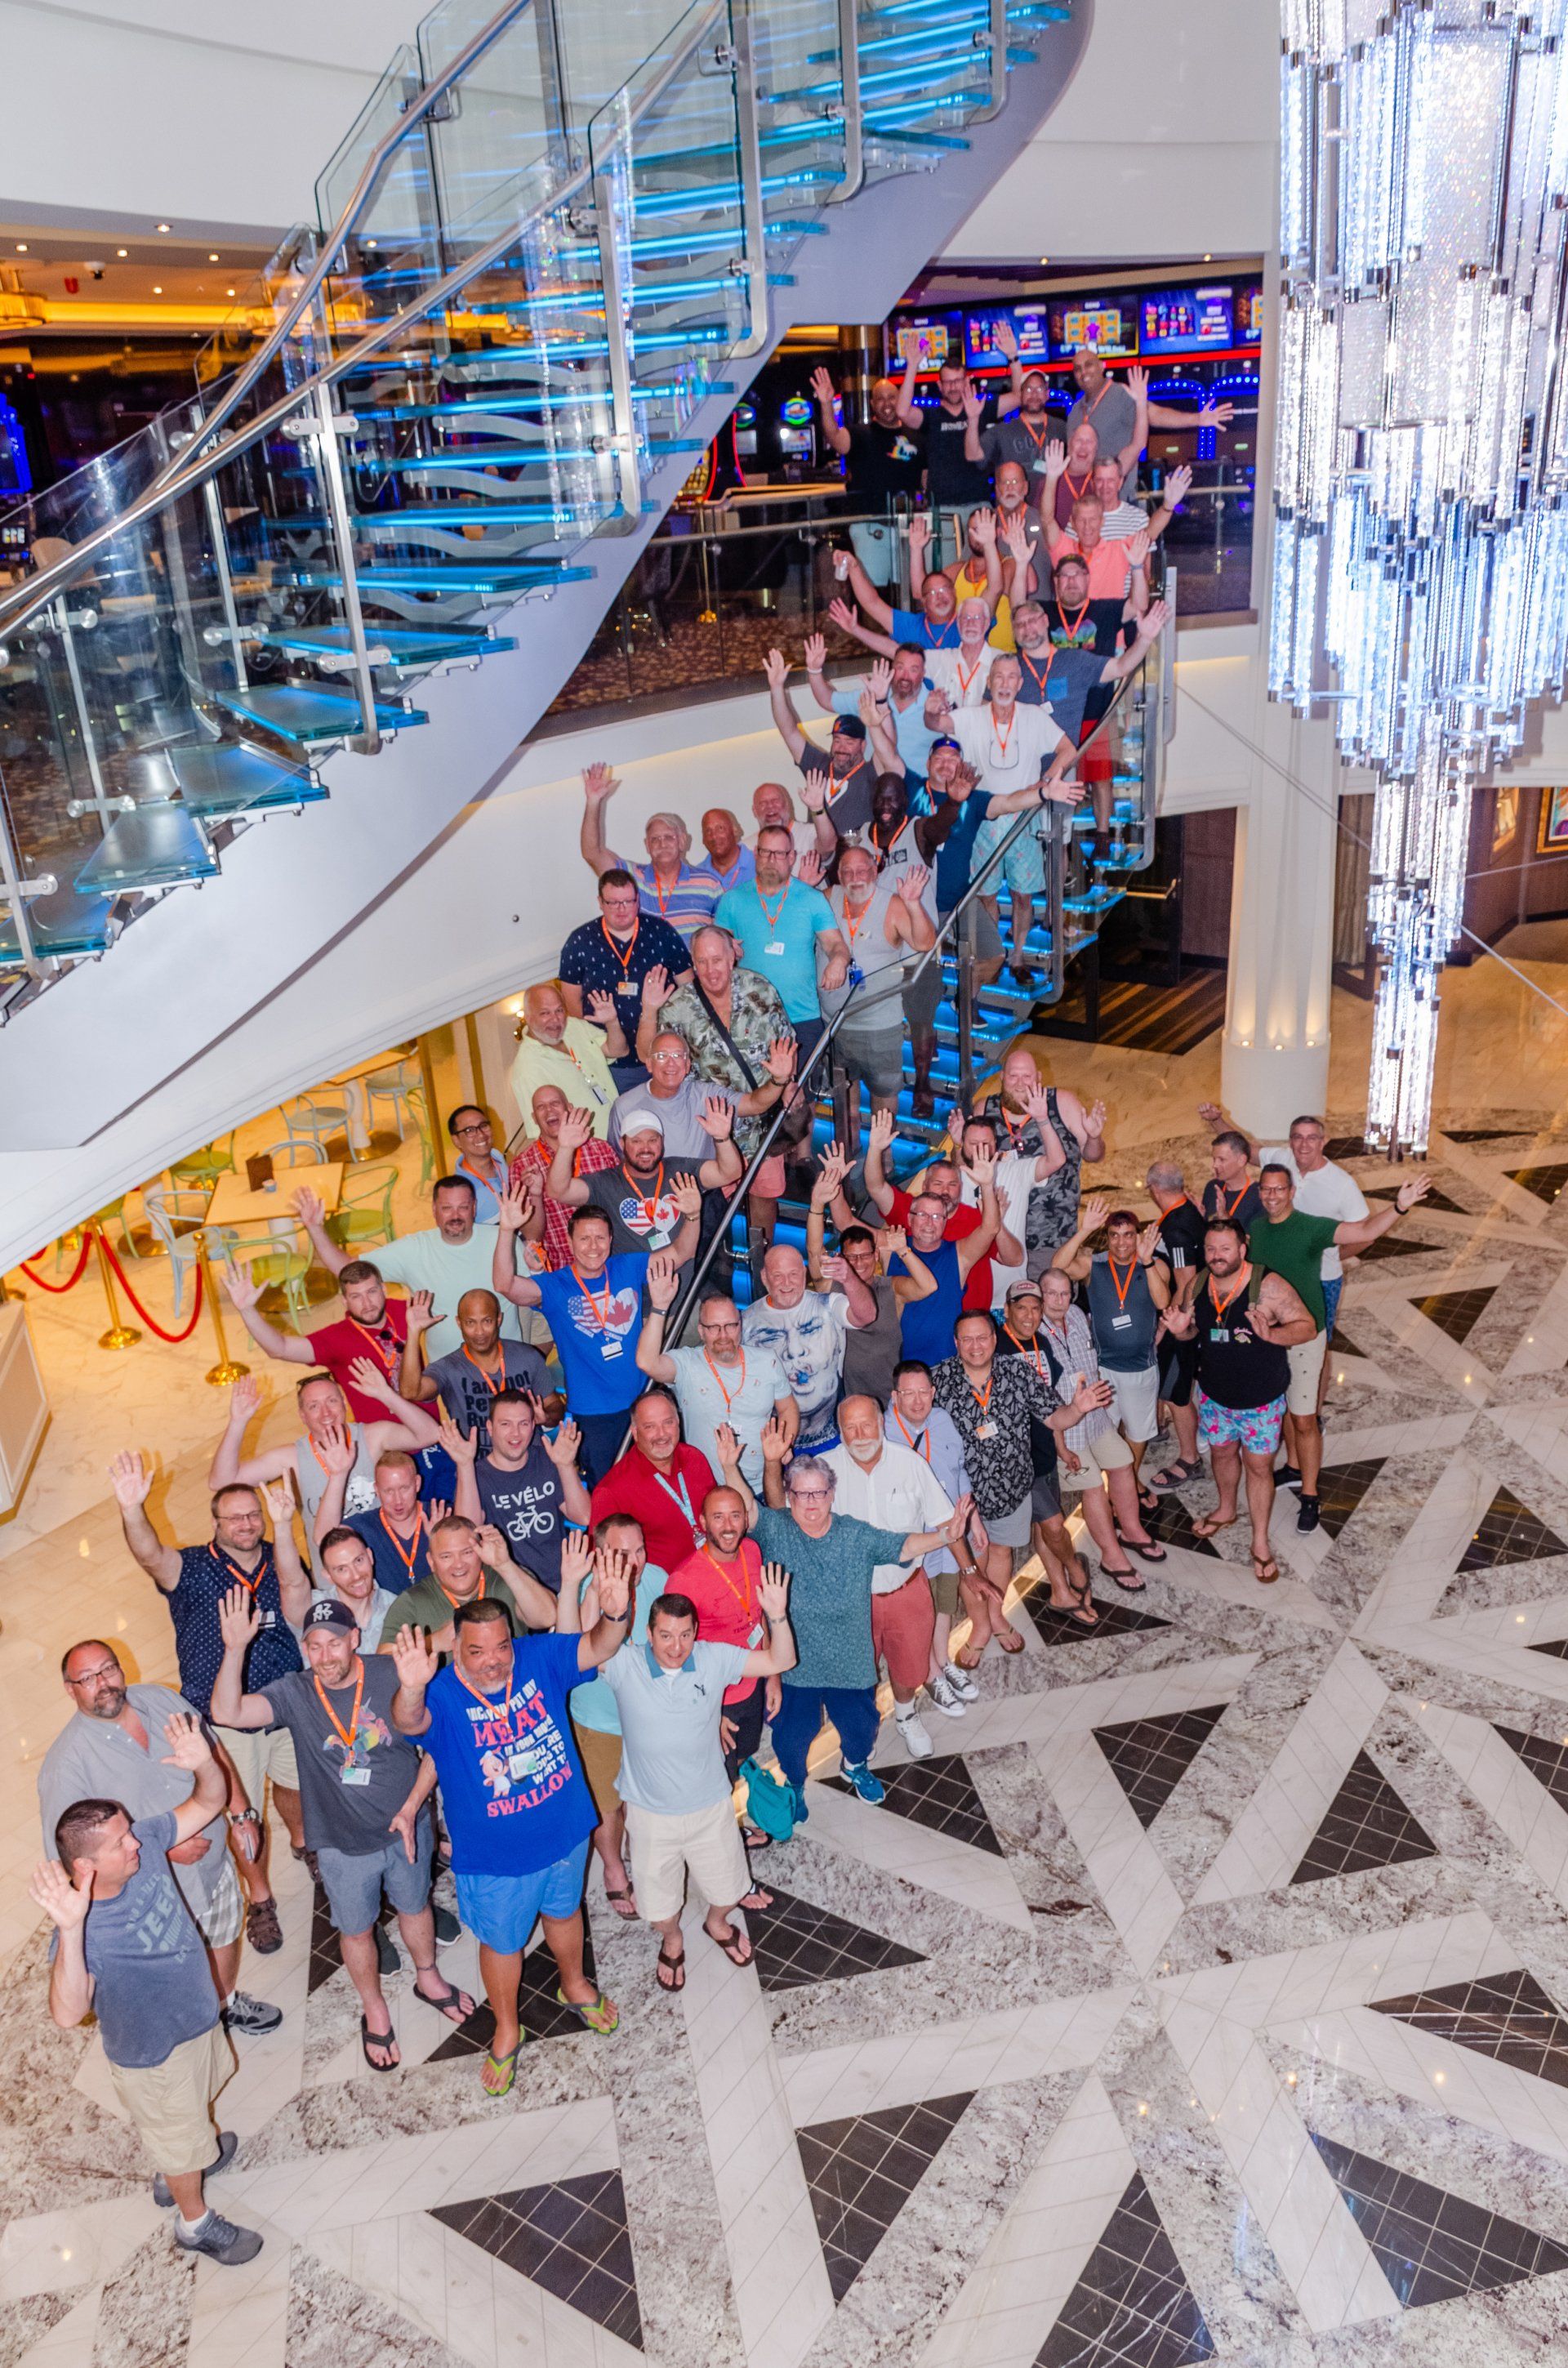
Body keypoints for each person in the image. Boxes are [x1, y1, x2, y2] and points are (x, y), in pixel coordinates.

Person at [212, 1593, 474, 2073]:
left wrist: (414, 1808)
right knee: (356, 1932)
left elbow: (440, 1743)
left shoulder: (390, 1669)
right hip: (340, 1842)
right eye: (315, 1646)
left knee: (416, 1908)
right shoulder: (295, 1692)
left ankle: (429, 1977)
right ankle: (374, 2006)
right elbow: (228, 1713)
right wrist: (234, 1649)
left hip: (406, 1829)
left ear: (355, 1639)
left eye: (335, 1643)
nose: (326, 1655)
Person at [35, 1720, 264, 2263]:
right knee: (178, 2128)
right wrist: (69, 1929)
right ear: (86, 1866)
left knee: (188, 2121)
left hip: (196, 2020)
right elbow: (68, 2013)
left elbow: (209, 1800)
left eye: (130, 1830)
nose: (138, 1841)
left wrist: (204, 1762)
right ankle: (194, 2220)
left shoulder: (146, 1845)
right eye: (121, 1842)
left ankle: (180, 2159)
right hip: (154, 2059)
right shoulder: (82, 1925)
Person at [390, 1587, 629, 2097]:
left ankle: (575, 1983)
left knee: (566, 1915)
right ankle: (505, 2025)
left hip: (564, 1832)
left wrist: (614, 1610)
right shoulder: (440, 1692)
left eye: (501, 1647)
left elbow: (600, 1646)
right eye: (476, 1651)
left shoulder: (539, 1658)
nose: (493, 1662)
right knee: (503, 1943)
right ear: (456, 1647)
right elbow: (408, 1722)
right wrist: (411, 1687)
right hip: (495, 1858)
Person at [110, 1447, 307, 1955]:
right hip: (222, 1719)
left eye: (252, 1515)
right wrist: (133, 1510)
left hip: (282, 1703)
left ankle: (304, 1844)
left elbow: (298, 1595)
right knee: (243, 1815)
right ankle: (259, 1895)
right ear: (215, 1522)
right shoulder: (192, 1569)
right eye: (234, 1517)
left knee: (292, 1788)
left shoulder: (277, 1556)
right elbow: (152, 1554)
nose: (245, 1524)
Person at [39, 1644, 280, 2038]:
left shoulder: (160, 1698)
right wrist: (162, 1849)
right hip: (157, 1896)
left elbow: (212, 1752)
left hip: (214, 1866)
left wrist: (240, 1813)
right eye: (88, 1679)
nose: (103, 1684)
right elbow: (74, 1862)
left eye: (108, 1670)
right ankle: (197, 2030)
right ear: (70, 1690)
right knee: (179, 1969)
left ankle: (225, 2003)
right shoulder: (66, 1767)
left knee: (223, 1933)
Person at [591, 1566, 796, 1987]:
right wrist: (598, 1596)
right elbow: (576, 1645)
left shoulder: (712, 1657)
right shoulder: (624, 1663)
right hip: (650, 1814)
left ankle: (717, 1924)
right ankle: (671, 1940)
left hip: (710, 1805)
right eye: (665, 1635)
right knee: (659, 1909)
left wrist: (777, 1614)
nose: (676, 1646)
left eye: (685, 1634)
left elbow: (782, 1659)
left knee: (726, 1891)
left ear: (696, 1632)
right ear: (648, 1634)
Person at [754, 1441, 974, 1804]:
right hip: (795, 1663)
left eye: (819, 1493)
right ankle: (794, 1784)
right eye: (802, 1494)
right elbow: (745, 1509)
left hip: (850, 1658)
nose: (811, 1502)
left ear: (832, 1494)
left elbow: (900, 1547)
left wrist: (945, 1536)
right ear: (789, 1497)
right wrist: (763, 1461)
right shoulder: (777, 1530)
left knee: (862, 1730)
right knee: (791, 1737)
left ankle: (854, 1766)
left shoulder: (854, 1533)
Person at [1246, 1164, 1430, 1532]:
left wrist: (1399, 1207)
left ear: (1291, 1190)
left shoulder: (1311, 1227)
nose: (1272, 1196)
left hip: (1303, 1335)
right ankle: (1294, 1468)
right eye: (1266, 1190)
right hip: (1268, 1336)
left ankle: (1311, 1496)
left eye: (1279, 1189)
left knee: (1303, 1418)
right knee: (1281, 1408)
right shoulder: (1257, 1229)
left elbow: (1362, 1231)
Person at [936, 1307, 1109, 1642]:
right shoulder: (938, 1380)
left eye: (982, 1337)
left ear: (994, 1338)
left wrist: (1077, 1409)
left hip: (1014, 1489)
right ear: (956, 1343)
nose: (975, 1346)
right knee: (973, 1565)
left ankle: (996, 1616)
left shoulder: (1018, 1372)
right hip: (963, 1497)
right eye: (967, 1339)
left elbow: (1053, 1418)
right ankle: (980, 1628)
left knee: (1002, 1553)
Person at [1160, 1218, 1317, 1585]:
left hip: (1260, 1401)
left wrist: (1271, 1333)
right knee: (1221, 1454)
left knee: (1260, 1468)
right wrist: (1181, 1331)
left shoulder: (1269, 1286)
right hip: (1215, 1397)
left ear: (1242, 1249)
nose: (1217, 1256)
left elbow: (1307, 1327)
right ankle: (1226, 1509)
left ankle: (1260, 1542)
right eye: (1211, 1249)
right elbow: (1194, 1332)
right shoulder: (1197, 1283)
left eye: (1225, 1249)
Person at [639, 925, 800, 1263]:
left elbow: (786, 1042)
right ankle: (720, 1268)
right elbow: (650, 1057)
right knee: (712, 1208)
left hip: (763, 1124)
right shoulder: (678, 1007)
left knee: (764, 1199)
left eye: (717, 960)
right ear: (693, 965)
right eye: (702, 962)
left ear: (732, 958)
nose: (711, 970)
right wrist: (649, 1011)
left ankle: (763, 1262)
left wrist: (790, 1082)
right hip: (710, 1132)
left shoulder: (760, 988)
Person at [822, 1398, 969, 1762]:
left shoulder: (910, 1464)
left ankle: (905, 1714)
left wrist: (971, 1571)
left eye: (866, 1425)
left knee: (910, 1666)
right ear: (840, 1432)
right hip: (852, 1599)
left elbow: (943, 1523)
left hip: (907, 1591)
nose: (859, 1435)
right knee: (858, 1674)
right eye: (850, 1428)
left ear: (881, 1424)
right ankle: (862, 1730)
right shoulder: (824, 1472)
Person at [1199, 1104, 1369, 1406]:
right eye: (1298, 1137)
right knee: (1273, 1336)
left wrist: (1332, 1255)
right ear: (1290, 1140)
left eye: (1312, 1138)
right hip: (1274, 1273)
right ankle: (1280, 1398)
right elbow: (1245, 1151)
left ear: (1323, 1141)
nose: (1304, 1144)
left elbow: (1363, 1231)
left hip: (1322, 1278)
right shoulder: (1281, 1159)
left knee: (1317, 1340)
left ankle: (1311, 1406)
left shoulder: (1341, 1183)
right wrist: (1217, 1120)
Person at [492, 1198, 651, 1485]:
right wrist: (506, 1230)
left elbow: (681, 1252)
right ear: (569, 1241)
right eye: (584, 1238)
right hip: (594, 1416)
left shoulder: (628, 1265)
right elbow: (506, 1285)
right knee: (609, 1493)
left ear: (611, 1239)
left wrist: (691, 1216)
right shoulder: (555, 1286)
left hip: (644, 1400)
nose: (593, 1246)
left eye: (600, 1238)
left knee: (651, 1486)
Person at [299, 1171, 532, 1361]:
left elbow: (532, 1297)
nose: (455, 1215)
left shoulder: (502, 1238)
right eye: (446, 1208)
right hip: (449, 1371)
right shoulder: (414, 1249)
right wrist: (315, 1229)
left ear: (474, 1208)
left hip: (507, 1361)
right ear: (433, 1210)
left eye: (463, 1207)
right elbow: (348, 1270)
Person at [559, 1518, 664, 1922]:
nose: (635, 1562)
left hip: (650, 1717)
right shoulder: (582, 1585)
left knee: (646, 1798)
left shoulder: (657, 1578)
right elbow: (572, 1648)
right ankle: (613, 1867)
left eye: (640, 1549)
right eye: (623, 1553)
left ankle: (651, 1857)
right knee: (606, 1805)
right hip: (600, 1720)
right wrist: (592, 1594)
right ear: (601, 1553)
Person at [1037, 1266, 1168, 1582]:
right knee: (1094, 1486)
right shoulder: (1033, 1331)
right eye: (1051, 1293)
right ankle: (1111, 1556)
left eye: (1065, 1293)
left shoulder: (1079, 1318)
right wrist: (1060, 1445)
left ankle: (1132, 1531)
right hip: (1063, 1429)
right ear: (1040, 1295)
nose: (1058, 1300)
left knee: (1123, 1464)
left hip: (1095, 1417)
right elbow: (1039, 1402)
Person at [210, 1361, 439, 1535]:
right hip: (331, 1580)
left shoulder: (372, 1437)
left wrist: (387, 1395)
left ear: (344, 1403)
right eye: (313, 1406)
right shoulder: (292, 1457)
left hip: (386, 1563)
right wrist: (237, 1423)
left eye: (331, 1401)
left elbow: (429, 1434)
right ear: (302, 1416)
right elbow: (221, 1483)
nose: (326, 1413)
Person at [668, 1487, 781, 1837]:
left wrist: (772, 1676)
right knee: (717, 1780)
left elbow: (759, 1617)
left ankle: (729, 1831)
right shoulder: (684, 1581)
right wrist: (708, 1714)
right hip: (714, 1702)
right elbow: (674, 1660)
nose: (728, 1526)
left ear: (747, 1519)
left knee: (744, 1755)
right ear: (703, 1523)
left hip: (751, 1686)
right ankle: (717, 1848)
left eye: (735, 1516)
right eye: (718, 1517)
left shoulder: (752, 1550)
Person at [991, 1283, 1102, 1625]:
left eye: (1035, 1308)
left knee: (1045, 1527)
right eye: (1021, 1308)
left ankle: (1059, 1591)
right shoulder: (996, 1346)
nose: (1029, 1315)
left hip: (1043, 1446)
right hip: (1015, 1457)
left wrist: (1061, 1445)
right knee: (1054, 1523)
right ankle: (1074, 1568)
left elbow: (1048, 1401)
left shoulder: (1041, 1343)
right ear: (1007, 1309)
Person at [636, 1253, 795, 1487]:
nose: (723, 1336)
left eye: (730, 1325)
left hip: (764, 1485)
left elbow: (788, 1407)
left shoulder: (766, 1361)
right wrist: (660, 1308)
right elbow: (647, 1363)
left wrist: (786, 1443)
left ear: (740, 1325)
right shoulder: (687, 1364)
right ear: (701, 1331)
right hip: (707, 1490)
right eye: (714, 1328)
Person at [1050, 1199, 1172, 1492]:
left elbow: (1163, 1302)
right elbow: (1057, 1267)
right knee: (1105, 1428)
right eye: (1115, 1235)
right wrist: (1084, 1231)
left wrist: (1147, 1261)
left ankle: (1129, 1483)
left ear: (1138, 1236)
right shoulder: (1095, 1264)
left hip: (1142, 1367)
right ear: (1107, 1237)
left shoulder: (1154, 1264)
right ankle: (1117, 1482)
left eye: (1128, 1234)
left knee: (1139, 1432)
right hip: (1102, 1368)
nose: (1121, 1242)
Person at [715, 822, 851, 1076]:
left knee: (800, 1103)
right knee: (757, 1101)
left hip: (801, 1017)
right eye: (765, 852)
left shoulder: (812, 899)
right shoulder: (732, 900)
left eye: (779, 854)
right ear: (756, 855)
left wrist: (839, 962)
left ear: (792, 858)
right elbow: (714, 946)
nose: (771, 860)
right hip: (749, 1017)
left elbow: (835, 944)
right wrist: (724, 945)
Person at [883, 1362, 983, 1706]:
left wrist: (974, 1520)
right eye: (907, 1393)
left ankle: (942, 1660)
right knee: (920, 1612)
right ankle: (930, 1674)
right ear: (894, 1396)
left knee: (943, 1603)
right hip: (917, 1543)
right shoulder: (882, 1434)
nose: (916, 1401)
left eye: (923, 1392)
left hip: (950, 1536)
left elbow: (958, 1472)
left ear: (933, 1393)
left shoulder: (941, 1420)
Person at [546, 1093, 741, 1268]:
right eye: (636, 1141)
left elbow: (729, 1173)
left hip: (685, 1287)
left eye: (653, 1140)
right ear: (622, 1144)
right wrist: (565, 1148)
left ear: (662, 1141)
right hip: (632, 1290)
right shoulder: (606, 1182)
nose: (645, 1148)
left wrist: (722, 1139)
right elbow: (558, 1191)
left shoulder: (679, 1169)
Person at [821, 845, 936, 1135]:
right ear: (839, 875)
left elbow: (925, 943)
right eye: (847, 871)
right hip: (833, 1024)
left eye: (862, 870)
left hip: (879, 1027)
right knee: (844, 1093)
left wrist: (912, 903)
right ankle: (850, 1153)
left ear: (875, 871)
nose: (855, 877)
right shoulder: (827, 898)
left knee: (884, 1096)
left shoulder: (892, 904)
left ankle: (883, 1155)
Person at [808, 1147, 937, 1406]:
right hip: (846, 1399)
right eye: (851, 1257)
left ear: (876, 1255)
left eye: (865, 1256)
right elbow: (813, 1252)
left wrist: (903, 1250)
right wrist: (817, 1204)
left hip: (891, 1400)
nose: (859, 1263)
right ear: (842, 1258)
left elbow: (928, 1286)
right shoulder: (833, 1284)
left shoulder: (891, 1288)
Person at [220, 1251, 412, 1425]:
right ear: (344, 1301)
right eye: (356, 1297)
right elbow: (281, 1348)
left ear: (384, 1290)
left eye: (372, 1292)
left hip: (426, 1423)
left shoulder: (406, 1311)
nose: (367, 1303)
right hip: (385, 1440)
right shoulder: (336, 1339)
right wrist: (247, 1310)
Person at [588, 1385, 755, 1572]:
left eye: (668, 1423)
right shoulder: (612, 1491)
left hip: (714, 1571)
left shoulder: (694, 1458)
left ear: (678, 1423)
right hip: (665, 1592)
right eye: (650, 1427)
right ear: (635, 1433)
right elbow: (601, 1562)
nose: (662, 1435)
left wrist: (730, 1468)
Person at [973, 1049, 1107, 1274]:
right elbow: (969, 1167)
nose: (1019, 1084)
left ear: (1038, 1079)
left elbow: (1093, 1155)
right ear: (1002, 1077)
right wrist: (960, 1144)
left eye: (1026, 1077)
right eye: (1013, 1076)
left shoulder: (1062, 1102)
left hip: (1054, 1236)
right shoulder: (984, 1109)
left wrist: (1094, 1137)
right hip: (1001, 1234)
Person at [558, 867, 693, 1090]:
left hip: (662, 1055)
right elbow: (572, 1005)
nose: (622, 909)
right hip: (609, 1062)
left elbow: (689, 988)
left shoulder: (661, 932)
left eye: (628, 901)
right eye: (613, 903)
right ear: (600, 902)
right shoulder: (579, 942)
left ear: (638, 900)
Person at [578, 760, 721, 939]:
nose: (662, 844)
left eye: (669, 837)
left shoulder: (708, 884)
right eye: (655, 839)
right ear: (647, 845)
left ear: (683, 841)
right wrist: (593, 802)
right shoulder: (631, 879)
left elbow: (724, 935)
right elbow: (592, 853)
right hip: (646, 968)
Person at [809, 363, 924, 586]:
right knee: (872, 594)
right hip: (870, 528)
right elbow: (835, 437)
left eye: (891, 397)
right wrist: (826, 404)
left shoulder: (916, 437)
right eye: (880, 399)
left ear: (900, 398)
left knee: (912, 593)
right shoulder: (860, 434)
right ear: (872, 404)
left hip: (908, 528)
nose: (886, 404)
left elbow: (925, 481)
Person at [401, 1286, 556, 1449]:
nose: (479, 1332)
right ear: (459, 1323)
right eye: (470, 1323)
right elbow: (411, 1391)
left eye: (487, 1321)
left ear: (499, 1320)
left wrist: (545, 1417)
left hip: (531, 1461)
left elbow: (554, 1406)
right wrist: (413, 1333)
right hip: (477, 1467)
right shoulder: (448, 1368)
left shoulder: (528, 1357)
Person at [474, 1392, 592, 1597]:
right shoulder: (477, 1474)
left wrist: (564, 1465)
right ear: (490, 1428)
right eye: (505, 1424)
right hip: (511, 1590)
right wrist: (464, 1465)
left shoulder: (547, 1459)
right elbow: (469, 1530)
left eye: (523, 1424)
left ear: (533, 1425)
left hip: (562, 1581)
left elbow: (583, 1516)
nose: (516, 1434)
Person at [1064, 350, 1232, 488]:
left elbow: (1152, 414)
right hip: (1085, 503)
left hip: (1119, 499)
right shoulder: (1075, 412)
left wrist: (1197, 419)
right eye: (1077, 369)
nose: (1083, 372)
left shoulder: (1118, 394)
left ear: (1102, 366)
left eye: (1088, 365)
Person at [742, 1244, 849, 1451]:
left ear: (804, 1273)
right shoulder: (746, 1322)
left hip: (835, 1442)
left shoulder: (827, 1306)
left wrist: (848, 1278)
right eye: (778, 1276)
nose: (794, 1351)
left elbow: (865, 1316)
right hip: (774, 1446)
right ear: (764, 1278)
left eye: (810, 1331)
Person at [1143, 1161, 1207, 1492]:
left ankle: (1189, 1459)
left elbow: (1187, 1280)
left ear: (1154, 1188)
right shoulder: (1187, 1212)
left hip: (1182, 1320)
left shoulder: (1178, 1229)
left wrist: (1171, 1325)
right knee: (1172, 1387)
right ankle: (1160, 1426)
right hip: (1183, 1316)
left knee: (1176, 1392)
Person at [764, 649, 876, 837]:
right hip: (818, 857)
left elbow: (887, 750)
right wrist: (776, 688)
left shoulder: (870, 773)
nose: (841, 748)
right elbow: (789, 731)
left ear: (863, 746)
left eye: (849, 742)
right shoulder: (819, 764)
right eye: (837, 740)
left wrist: (875, 718)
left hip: (855, 859)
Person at [509, 1081, 618, 1267]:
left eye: (555, 1103)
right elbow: (532, 1236)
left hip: (612, 1260)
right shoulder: (523, 1165)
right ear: (534, 1118)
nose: (549, 1111)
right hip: (563, 1269)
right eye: (541, 1107)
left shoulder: (602, 1150)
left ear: (569, 1108)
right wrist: (535, 1194)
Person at [803, 637, 941, 783]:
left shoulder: (936, 705)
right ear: (892, 668)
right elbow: (827, 700)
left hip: (917, 796)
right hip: (874, 792)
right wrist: (814, 670)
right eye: (900, 668)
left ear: (923, 673)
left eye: (914, 670)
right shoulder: (872, 695)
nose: (905, 676)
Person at [894, 352, 991, 558]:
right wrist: (912, 365)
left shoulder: (981, 408)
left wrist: (1013, 357)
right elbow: (902, 412)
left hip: (979, 505)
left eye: (957, 381)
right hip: (942, 507)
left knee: (984, 573)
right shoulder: (932, 416)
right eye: (947, 382)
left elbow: (1019, 396)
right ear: (939, 385)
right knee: (945, 574)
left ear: (967, 381)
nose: (953, 387)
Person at [507, 982, 618, 1140]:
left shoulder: (573, 1026)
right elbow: (543, 1134)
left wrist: (612, 1022)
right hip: (590, 1152)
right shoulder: (526, 1069)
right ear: (528, 1017)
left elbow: (618, 1051)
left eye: (559, 1010)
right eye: (545, 1013)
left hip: (621, 1131)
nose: (555, 1019)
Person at [608, 1031, 734, 1161]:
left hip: (702, 1179)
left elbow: (753, 1103)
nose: (671, 1063)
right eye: (662, 1056)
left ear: (687, 1066)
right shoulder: (624, 1106)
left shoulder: (705, 1095)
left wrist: (722, 1139)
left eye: (677, 1055)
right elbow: (617, 1159)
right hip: (649, 1180)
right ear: (649, 1064)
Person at [311, 1526, 400, 1651]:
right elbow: (291, 1585)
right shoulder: (315, 1609)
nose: (356, 1575)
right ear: (328, 1576)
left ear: (370, 1556)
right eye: (342, 1569)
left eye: (358, 1560)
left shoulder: (397, 1609)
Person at [443, 1105, 512, 1223]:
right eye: (469, 1130)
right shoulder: (461, 1193)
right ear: (456, 1140)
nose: (481, 1134)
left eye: (483, 1126)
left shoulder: (497, 1156)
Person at [701, 808, 754, 893]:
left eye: (720, 828)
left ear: (735, 831)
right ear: (703, 839)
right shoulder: (698, 876)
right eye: (708, 831)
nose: (714, 836)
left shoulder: (759, 866)